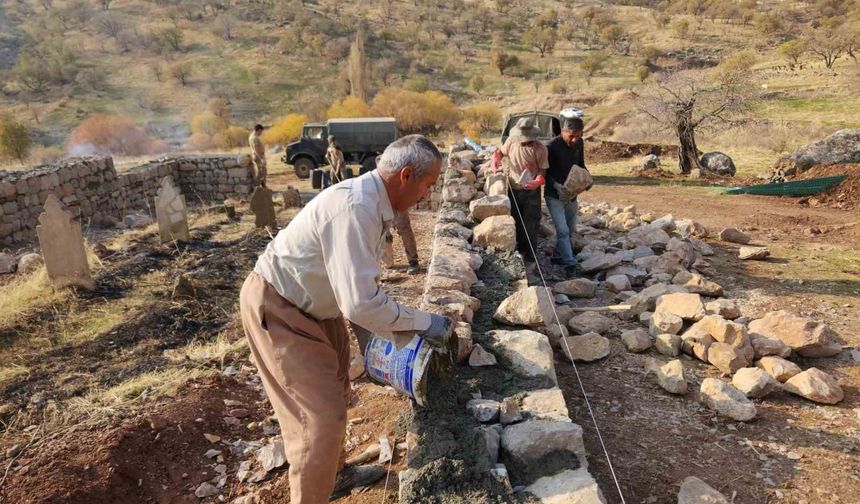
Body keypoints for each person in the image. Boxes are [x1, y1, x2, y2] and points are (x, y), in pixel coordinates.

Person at [239, 135, 452, 504]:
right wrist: (423, 323)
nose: (427, 196)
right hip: (281, 307)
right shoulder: (357, 209)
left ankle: (334, 476)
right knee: (318, 420)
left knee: (338, 391)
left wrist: (378, 339)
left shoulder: (374, 203)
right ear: (405, 176)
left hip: (321, 307)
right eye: (428, 185)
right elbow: (361, 303)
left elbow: (356, 287)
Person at [492, 117, 548, 261]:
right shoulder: (511, 142)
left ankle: (530, 256)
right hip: (513, 188)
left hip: (531, 191)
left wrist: (537, 181)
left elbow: (543, 172)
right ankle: (516, 252)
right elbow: (500, 153)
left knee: (531, 223)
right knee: (515, 221)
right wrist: (495, 159)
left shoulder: (541, 149)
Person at [546, 117, 589, 277]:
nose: (575, 139)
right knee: (562, 230)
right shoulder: (552, 146)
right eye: (572, 135)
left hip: (572, 193)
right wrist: (556, 185)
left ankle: (557, 256)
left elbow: (581, 165)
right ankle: (570, 264)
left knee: (570, 229)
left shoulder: (579, 143)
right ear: (564, 131)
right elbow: (545, 172)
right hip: (554, 195)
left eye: (578, 135)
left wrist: (587, 179)